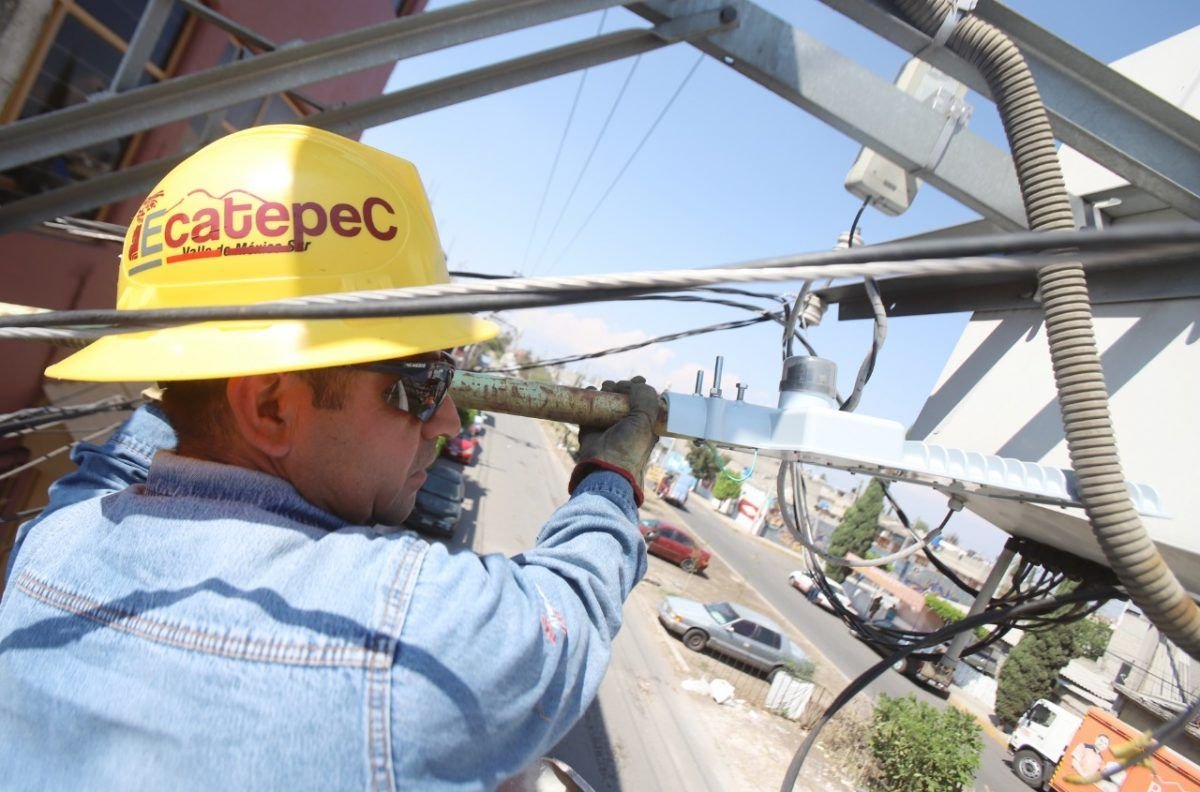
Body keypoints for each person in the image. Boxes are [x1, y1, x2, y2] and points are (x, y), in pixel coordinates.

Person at [0, 125, 661, 791]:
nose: (446, 420)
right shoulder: (402, 628)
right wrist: (611, 476)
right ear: (270, 408)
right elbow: (568, 613)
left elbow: (115, 465)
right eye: (421, 383)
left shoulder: (53, 540)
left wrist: (186, 362)